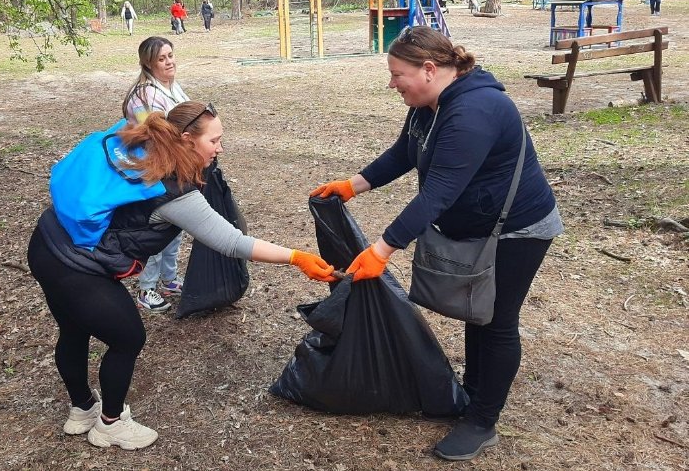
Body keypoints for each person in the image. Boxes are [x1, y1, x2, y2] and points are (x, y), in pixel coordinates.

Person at [311, 26, 562, 461]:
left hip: (517, 229)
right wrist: (352, 185)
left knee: (496, 319)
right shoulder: (429, 104)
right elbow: (404, 154)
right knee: (474, 312)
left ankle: (483, 421)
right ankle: (473, 396)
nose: (392, 84)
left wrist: (382, 249)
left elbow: (438, 192)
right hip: (478, 225)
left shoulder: (475, 111)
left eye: (397, 74)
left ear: (429, 69)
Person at [28, 101, 336, 450]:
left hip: (47, 240)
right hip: (75, 266)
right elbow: (231, 241)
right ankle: (110, 425)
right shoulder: (172, 190)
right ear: (187, 139)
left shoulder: (144, 141)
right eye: (214, 141)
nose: (220, 148)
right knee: (128, 338)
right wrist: (297, 257)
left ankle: (82, 409)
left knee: (73, 327)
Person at [122, 36, 189, 312]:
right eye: (162, 58)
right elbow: (151, 135)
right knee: (157, 231)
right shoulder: (143, 94)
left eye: (170, 55)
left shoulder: (171, 86)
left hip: (177, 168)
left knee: (177, 228)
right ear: (149, 63)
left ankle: (169, 278)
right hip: (155, 171)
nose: (169, 62)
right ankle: (146, 288)